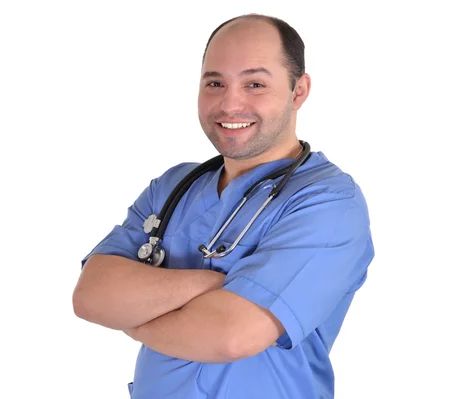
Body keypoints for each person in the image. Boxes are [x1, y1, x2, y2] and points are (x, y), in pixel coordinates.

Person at [72, 13, 375, 399]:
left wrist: (133, 320)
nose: (230, 103)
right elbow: (91, 297)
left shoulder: (327, 203)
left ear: (299, 91)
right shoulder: (173, 188)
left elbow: (232, 335)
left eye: (255, 84)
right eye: (215, 83)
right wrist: (212, 283)